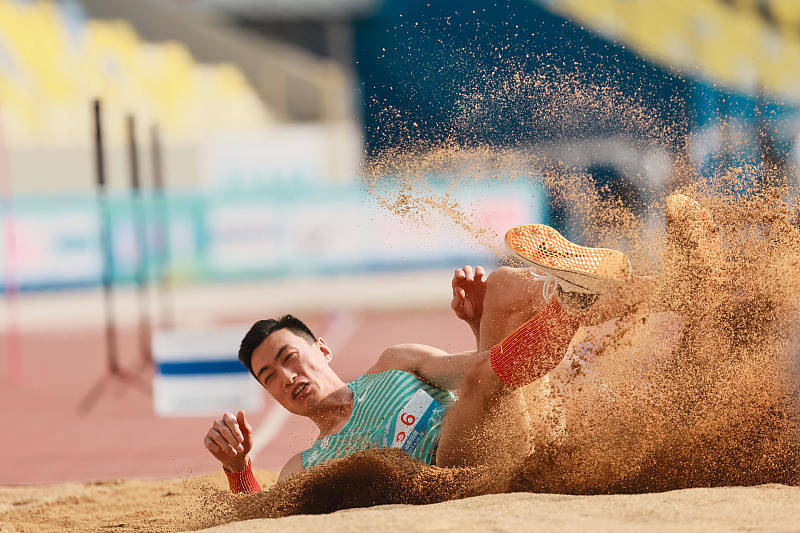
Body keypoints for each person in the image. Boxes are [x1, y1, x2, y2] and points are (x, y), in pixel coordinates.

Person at [203, 194, 716, 493]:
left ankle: (672, 290)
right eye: (269, 376)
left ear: (323, 350)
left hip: (505, 429)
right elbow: (261, 515)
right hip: (460, 470)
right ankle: (574, 300)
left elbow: (480, 366)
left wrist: (479, 324)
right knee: (481, 378)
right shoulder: (308, 465)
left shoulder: (394, 362)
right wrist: (238, 467)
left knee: (497, 292)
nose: (286, 378)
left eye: (289, 358)